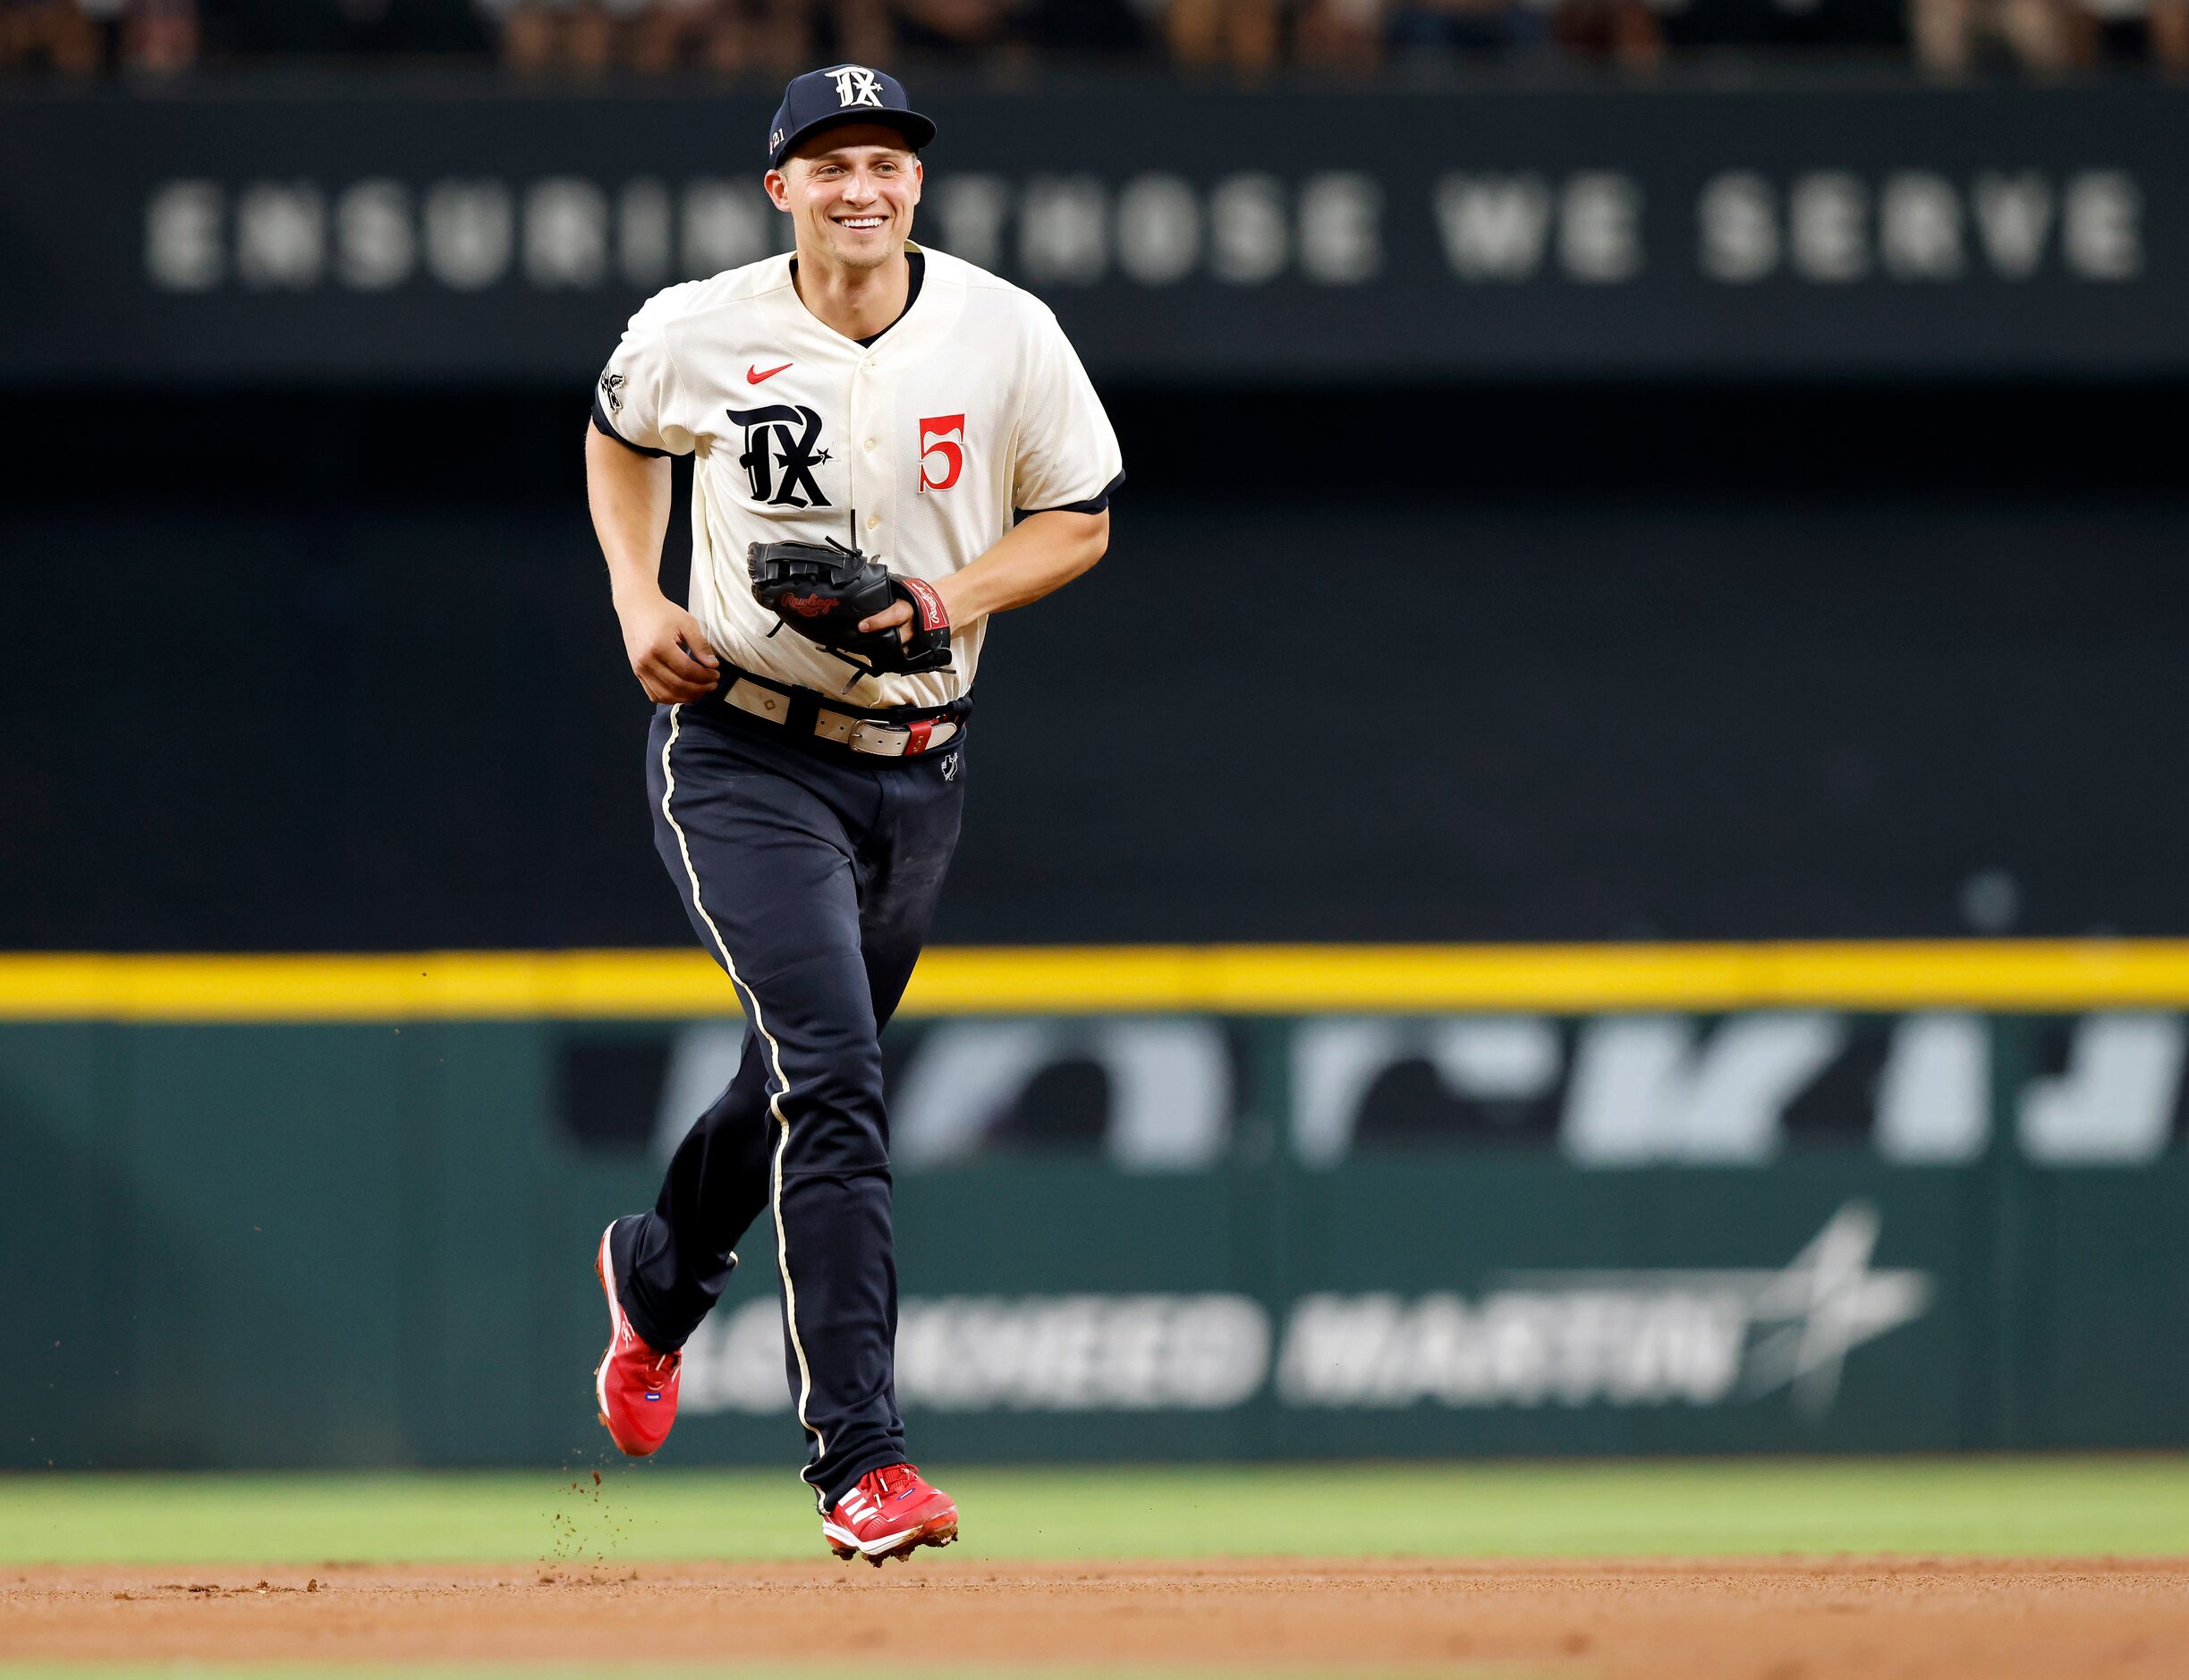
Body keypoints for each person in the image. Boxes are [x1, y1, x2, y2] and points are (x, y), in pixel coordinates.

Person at [581, 63, 1122, 1566]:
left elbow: (1077, 516)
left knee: (800, 1075)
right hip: (743, 750)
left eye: (885, 159)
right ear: (781, 190)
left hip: (919, 760)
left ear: (917, 185)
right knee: (837, 1075)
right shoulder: (702, 328)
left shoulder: (1006, 331)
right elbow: (619, 436)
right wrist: (638, 594)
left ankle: (658, 1270)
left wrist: (946, 595)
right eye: (829, 163)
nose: (861, 184)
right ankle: (861, 1462)